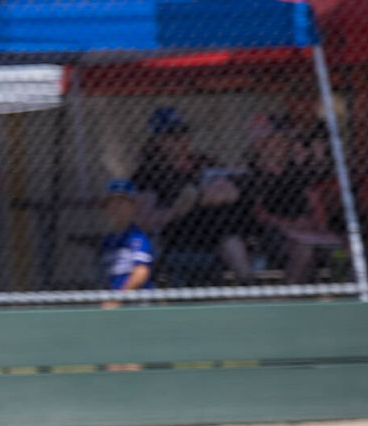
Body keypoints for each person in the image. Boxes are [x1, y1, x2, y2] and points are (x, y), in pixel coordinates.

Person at [132, 106, 253, 286]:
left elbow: (229, 189)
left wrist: (211, 194)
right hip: (178, 231)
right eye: (173, 136)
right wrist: (177, 210)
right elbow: (143, 220)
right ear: (158, 140)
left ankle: (248, 282)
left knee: (225, 216)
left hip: (217, 222)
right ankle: (247, 280)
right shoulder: (149, 173)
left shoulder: (203, 162)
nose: (182, 140)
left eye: (184, 133)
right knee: (223, 221)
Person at [241, 114, 343, 284]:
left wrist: (319, 227)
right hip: (274, 233)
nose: (280, 145)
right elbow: (257, 213)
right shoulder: (252, 175)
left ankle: (344, 294)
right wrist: (289, 225)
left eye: (283, 140)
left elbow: (314, 202)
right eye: (274, 140)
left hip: (307, 230)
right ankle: (288, 296)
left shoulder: (296, 173)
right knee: (303, 250)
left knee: (343, 250)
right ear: (260, 145)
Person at [98, 179, 154, 307]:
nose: (116, 207)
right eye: (111, 203)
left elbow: (141, 272)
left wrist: (118, 299)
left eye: (121, 202)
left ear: (133, 206)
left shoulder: (137, 237)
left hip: (136, 302)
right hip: (116, 300)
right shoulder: (108, 240)